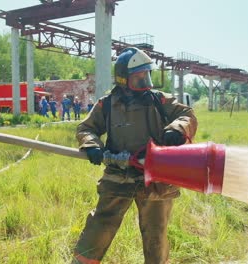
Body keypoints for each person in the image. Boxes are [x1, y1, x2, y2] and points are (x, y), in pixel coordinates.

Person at [73, 47, 198, 264]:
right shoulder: (108, 104)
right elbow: (86, 128)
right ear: (123, 79)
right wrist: (92, 144)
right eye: (139, 78)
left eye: (147, 76)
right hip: (117, 175)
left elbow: (187, 114)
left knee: (156, 235)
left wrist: (177, 128)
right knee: (99, 225)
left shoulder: (159, 100)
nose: (145, 83)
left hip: (157, 178)